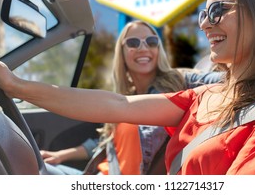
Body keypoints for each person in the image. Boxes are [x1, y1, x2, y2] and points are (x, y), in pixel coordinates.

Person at [0, 0, 255, 175]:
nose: (203, 24)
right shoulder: (205, 95)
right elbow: (118, 106)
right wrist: (16, 85)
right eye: (201, 14)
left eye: (216, 11)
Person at [42, 20, 222, 175]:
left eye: (151, 42)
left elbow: (227, 82)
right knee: (34, 167)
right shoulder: (122, 98)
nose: (143, 48)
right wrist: (61, 155)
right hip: (98, 174)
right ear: (122, 52)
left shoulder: (179, 81)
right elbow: (105, 143)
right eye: (134, 42)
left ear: (158, 49)